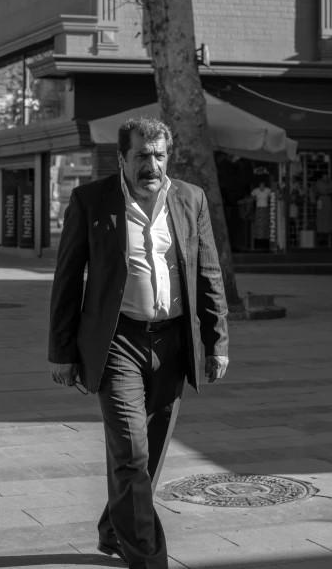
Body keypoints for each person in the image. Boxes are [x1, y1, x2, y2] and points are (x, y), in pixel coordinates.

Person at [49, 117, 229, 569]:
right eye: (142, 156)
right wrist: (62, 352)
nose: (152, 165)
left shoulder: (190, 199)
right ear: (122, 159)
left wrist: (217, 341)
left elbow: (208, 273)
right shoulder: (91, 201)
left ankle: (114, 528)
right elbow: (67, 280)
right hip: (118, 343)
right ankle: (149, 560)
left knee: (148, 457)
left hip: (172, 343)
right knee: (130, 452)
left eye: (159, 155)